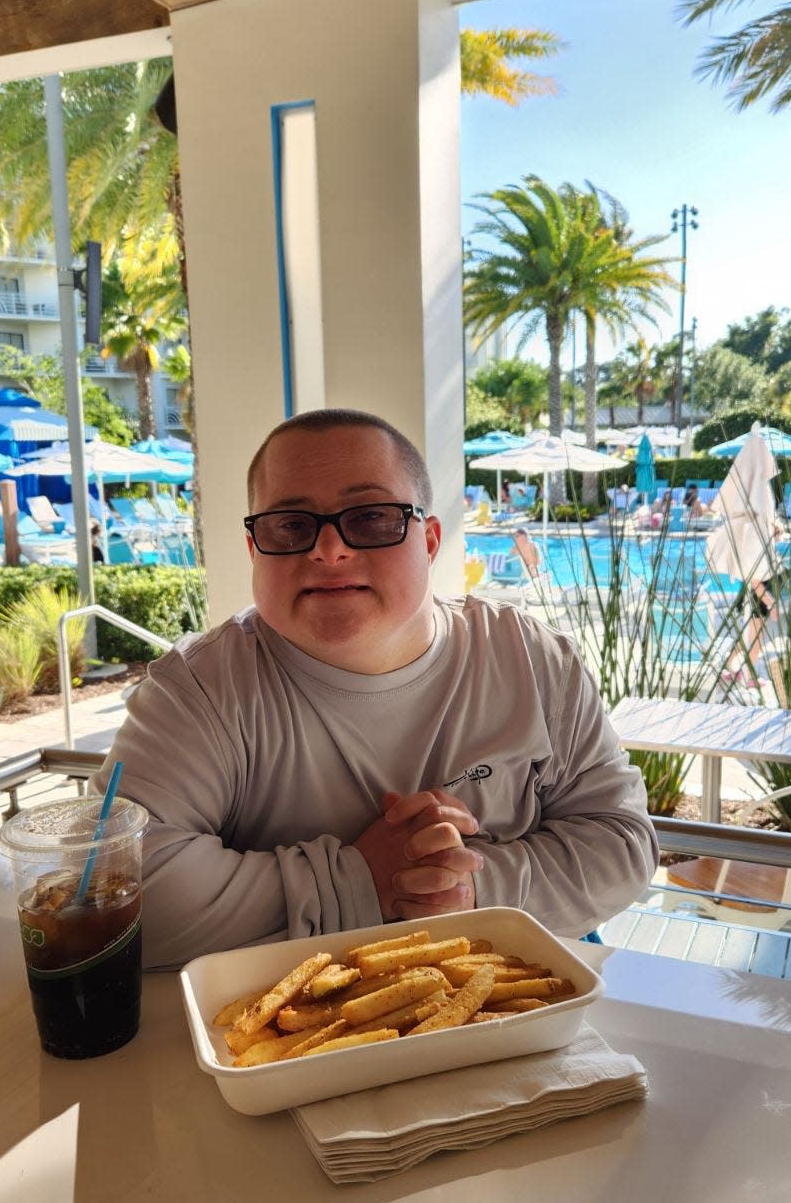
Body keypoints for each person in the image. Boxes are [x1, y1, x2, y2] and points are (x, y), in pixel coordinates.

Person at [94, 408, 658, 966]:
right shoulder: (199, 688)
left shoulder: (534, 659)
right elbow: (116, 886)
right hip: (290, 1029)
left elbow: (623, 844)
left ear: (431, 540)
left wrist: (465, 891)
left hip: (521, 1003)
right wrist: (360, 879)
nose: (328, 550)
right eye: (290, 526)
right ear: (253, 548)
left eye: (371, 518)